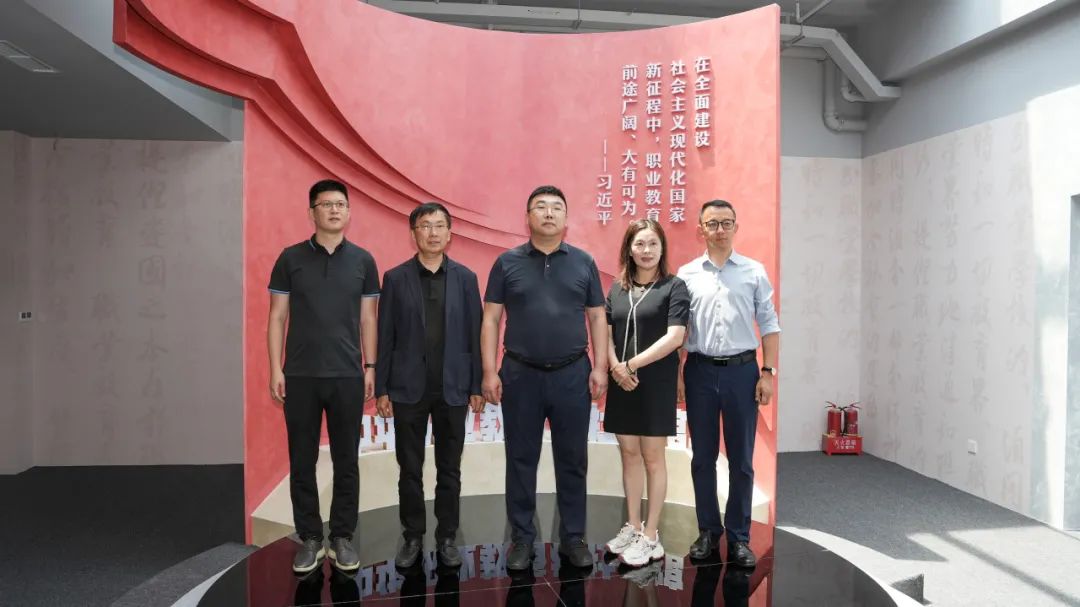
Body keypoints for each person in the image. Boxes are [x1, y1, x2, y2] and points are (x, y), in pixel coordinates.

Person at [480, 185, 609, 571]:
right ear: (528, 217)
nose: (549, 213)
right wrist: (489, 371)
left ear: (566, 218)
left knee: (573, 459)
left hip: (572, 374)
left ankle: (574, 537)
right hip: (520, 375)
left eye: (556, 208)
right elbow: (491, 318)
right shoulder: (507, 263)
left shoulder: (584, 262)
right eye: (540, 207)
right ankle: (522, 539)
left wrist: (600, 367)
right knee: (521, 459)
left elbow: (597, 317)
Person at [267, 179, 380, 573]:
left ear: (348, 212)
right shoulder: (290, 258)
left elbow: (368, 319)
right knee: (302, 459)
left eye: (340, 204)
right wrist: (276, 368)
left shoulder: (363, 261)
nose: (334, 210)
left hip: (348, 375)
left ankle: (342, 537)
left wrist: (370, 366)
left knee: (347, 459)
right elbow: (277, 317)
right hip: (300, 375)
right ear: (311, 212)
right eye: (326, 204)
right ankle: (311, 538)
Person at [374, 202, 484, 569]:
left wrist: (476, 384)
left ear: (450, 234)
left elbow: (475, 335)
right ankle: (412, 536)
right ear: (414, 233)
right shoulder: (395, 278)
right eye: (425, 226)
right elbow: (385, 336)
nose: (433, 233)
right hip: (407, 389)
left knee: (449, 469)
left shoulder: (466, 278)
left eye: (439, 226)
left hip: (453, 388)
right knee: (410, 469)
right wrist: (382, 388)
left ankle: (447, 536)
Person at [677, 199, 780, 568]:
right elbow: (679, 330)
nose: (719, 230)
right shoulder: (687, 274)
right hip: (699, 371)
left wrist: (768, 373)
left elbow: (769, 325)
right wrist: (677, 376)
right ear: (700, 229)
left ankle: (739, 537)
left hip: (742, 372)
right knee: (702, 458)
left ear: (736, 227)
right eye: (712, 223)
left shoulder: (754, 271)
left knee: (741, 460)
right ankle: (708, 531)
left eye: (726, 223)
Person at [602, 220, 689, 567]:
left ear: (662, 248)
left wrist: (631, 365)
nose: (647, 250)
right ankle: (634, 526)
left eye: (653, 243)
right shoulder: (617, 288)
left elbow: (675, 337)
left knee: (653, 457)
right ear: (629, 248)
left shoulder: (674, 287)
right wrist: (615, 367)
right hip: (621, 382)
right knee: (629, 454)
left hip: (655, 382)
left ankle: (652, 536)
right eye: (640, 244)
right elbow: (605, 333)